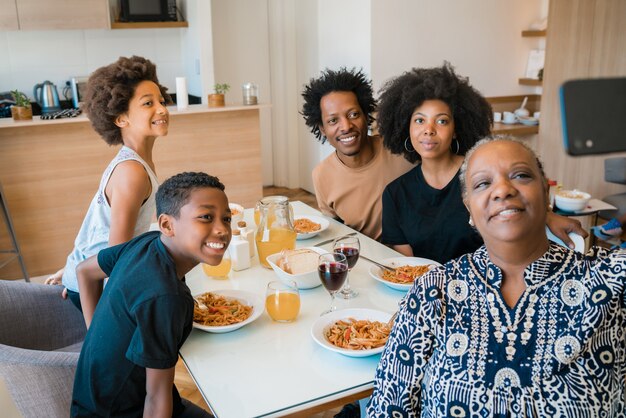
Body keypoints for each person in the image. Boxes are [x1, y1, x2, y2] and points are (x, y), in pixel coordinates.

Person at [367, 136, 626, 417]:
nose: (502, 189)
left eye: (521, 176)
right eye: (482, 183)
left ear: (545, 193)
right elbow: (389, 408)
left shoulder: (610, 279)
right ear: (469, 209)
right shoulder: (433, 290)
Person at [377, 63, 586, 263]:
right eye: (420, 120)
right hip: (428, 291)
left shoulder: (482, 175)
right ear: (407, 127)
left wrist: (545, 217)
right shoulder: (396, 194)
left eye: (441, 121)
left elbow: (515, 203)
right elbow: (407, 267)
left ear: (456, 129)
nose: (429, 129)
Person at [71, 172, 229, 417]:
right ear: (167, 225)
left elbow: (84, 272)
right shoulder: (167, 298)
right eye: (206, 217)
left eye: (226, 219)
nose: (221, 229)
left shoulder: (145, 244)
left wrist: (96, 336)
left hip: (90, 403)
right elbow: (156, 399)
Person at [45, 56, 170, 309]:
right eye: (148, 103)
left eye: (162, 101)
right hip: (95, 287)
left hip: (87, 273)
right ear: (120, 119)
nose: (162, 109)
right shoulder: (132, 172)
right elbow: (116, 257)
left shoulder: (134, 162)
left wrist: (70, 267)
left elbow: (97, 226)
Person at [301, 67, 415, 240]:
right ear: (323, 129)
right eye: (333, 120)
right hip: (367, 260)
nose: (346, 126)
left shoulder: (401, 150)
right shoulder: (321, 175)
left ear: (366, 115)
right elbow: (336, 235)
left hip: (419, 259)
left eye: (353, 114)